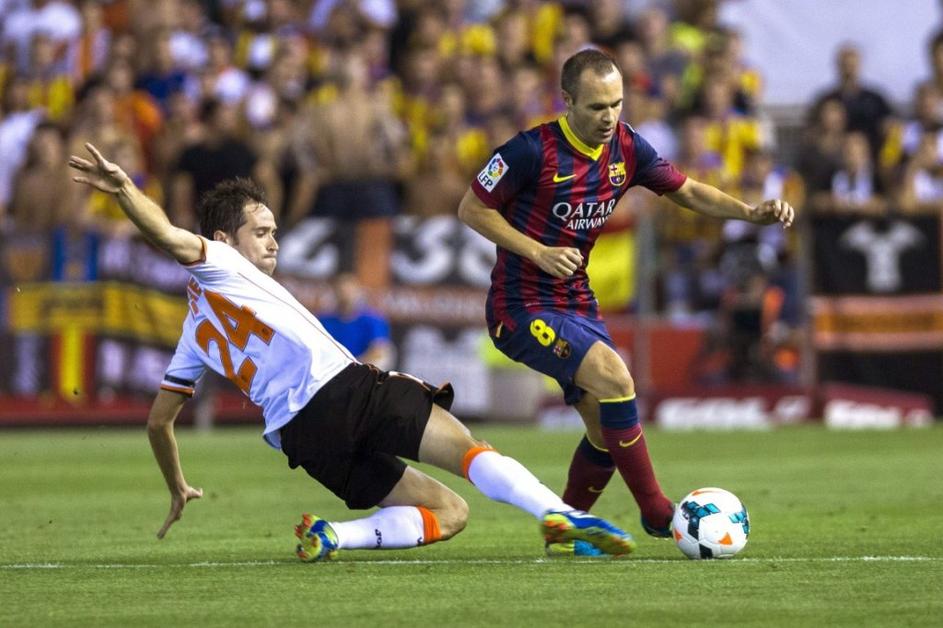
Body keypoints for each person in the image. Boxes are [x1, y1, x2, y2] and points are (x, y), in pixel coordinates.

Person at [67, 142, 636, 562]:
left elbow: (158, 422)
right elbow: (167, 235)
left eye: (274, 231)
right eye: (261, 231)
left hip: (302, 439)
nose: (274, 242)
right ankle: (560, 514)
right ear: (223, 241)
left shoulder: (194, 331)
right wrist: (124, 189)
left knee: (450, 513)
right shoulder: (221, 263)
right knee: (468, 450)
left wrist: (176, 484)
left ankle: (333, 534)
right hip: (342, 389)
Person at [457, 49, 794, 554]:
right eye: (597, 106)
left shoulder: (627, 147)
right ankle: (657, 512)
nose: (609, 116)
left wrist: (749, 212)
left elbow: (686, 190)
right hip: (520, 307)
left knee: (604, 429)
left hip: (576, 301)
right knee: (617, 379)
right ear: (567, 101)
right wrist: (537, 252)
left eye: (616, 104)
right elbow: (471, 208)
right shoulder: (530, 151)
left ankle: (567, 530)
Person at [319, 273, 394, 370]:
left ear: (358, 291)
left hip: (362, 370)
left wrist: (354, 367)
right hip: (331, 370)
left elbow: (378, 351)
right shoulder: (325, 320)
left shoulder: (373, 319)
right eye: (341, 290)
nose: (345, 294)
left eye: (349, 290)